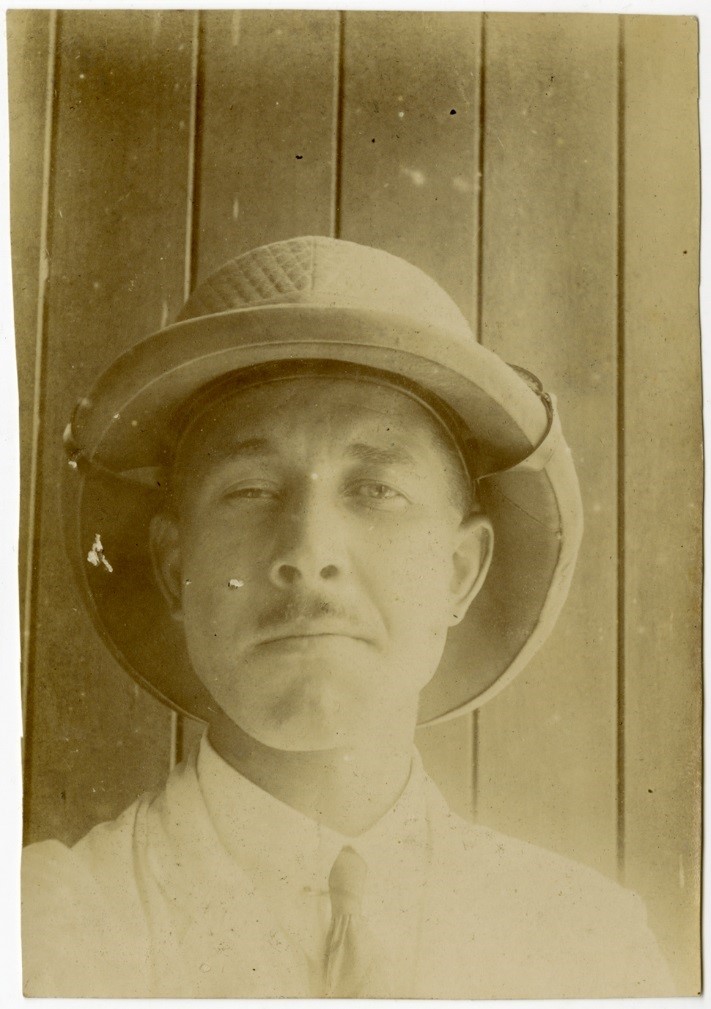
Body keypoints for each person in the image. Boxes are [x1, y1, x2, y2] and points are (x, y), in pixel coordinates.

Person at [21, 235, 674, 998]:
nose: (309, 550)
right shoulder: (43, 933)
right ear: (176, 568)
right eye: (251, 489)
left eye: (375, 490)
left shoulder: (584, 945)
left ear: (457, 572)